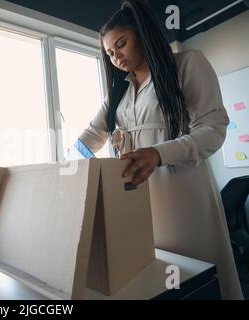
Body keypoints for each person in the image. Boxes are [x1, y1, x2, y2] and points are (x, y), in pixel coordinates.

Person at [79, 0, 243, 299]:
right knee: (156, 283)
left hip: (182, 192)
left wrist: (158, 154)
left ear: (143, 34)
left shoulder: (187, 64)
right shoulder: (120, 92)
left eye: (121, 44)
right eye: (110, 53)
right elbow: (93, 133)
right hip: (136, 200)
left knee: (194, 279)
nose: (116, 57)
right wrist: (65, 168)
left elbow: (213, 129)